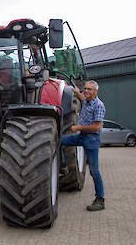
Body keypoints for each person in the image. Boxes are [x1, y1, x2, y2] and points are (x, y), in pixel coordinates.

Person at [61, 80, 106, 211]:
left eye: (89, 89)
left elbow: (97, 126)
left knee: (94, 171)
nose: (86, 91)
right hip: (82, 137)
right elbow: (81, 97)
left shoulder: (99, 105)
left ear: (95, 92)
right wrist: (76, 92)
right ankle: (62, 165)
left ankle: (100, 199)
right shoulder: (86, 100)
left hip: (91, 139)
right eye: (85, 89)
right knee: (59, 140)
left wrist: (78, 127)